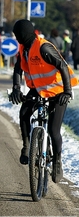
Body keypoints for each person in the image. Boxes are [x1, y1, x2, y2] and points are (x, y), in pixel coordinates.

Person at [10, 19, 78, 183]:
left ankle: (57, 162)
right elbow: (18, 69)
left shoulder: (43, 47)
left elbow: (62, 65)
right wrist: (16, 89)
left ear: (24, 34)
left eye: (18, 35)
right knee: (24, 112)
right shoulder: (24, 49)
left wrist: (67, 92)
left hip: (58, 90)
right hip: (40, 89)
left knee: (54, 131)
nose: (17, 38)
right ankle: (27, 148)